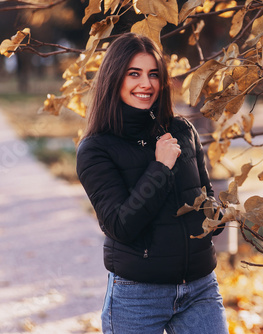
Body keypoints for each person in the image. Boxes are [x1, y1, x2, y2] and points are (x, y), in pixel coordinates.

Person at [76, 33, 228, 334]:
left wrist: (223, 216)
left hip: (200, 290)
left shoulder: (182, 130)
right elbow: (121, 226)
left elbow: (207, 201)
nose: (146, 84)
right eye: (134, 74)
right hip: (137, 297)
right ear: (114, 78)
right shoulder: (96, 149)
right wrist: (160, 168)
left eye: (153, 74)